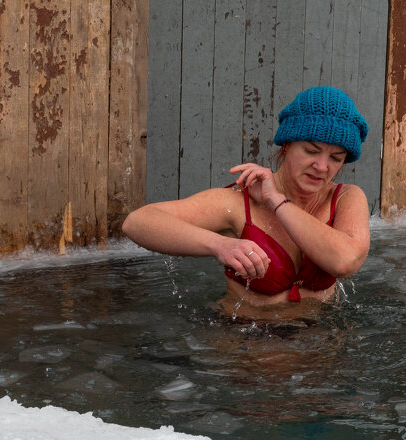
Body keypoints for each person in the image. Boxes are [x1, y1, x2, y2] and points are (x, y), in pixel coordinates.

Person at [123, 86, 371, 323]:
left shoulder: (345, 197)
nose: (322, 167)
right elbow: (137, 222)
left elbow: (346, 261)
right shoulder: (238, 203)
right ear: (286, 145)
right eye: (310, 151)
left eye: (336, 158)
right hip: (248, 338)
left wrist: (277, 202)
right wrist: (220, 245)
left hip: (319, 336)